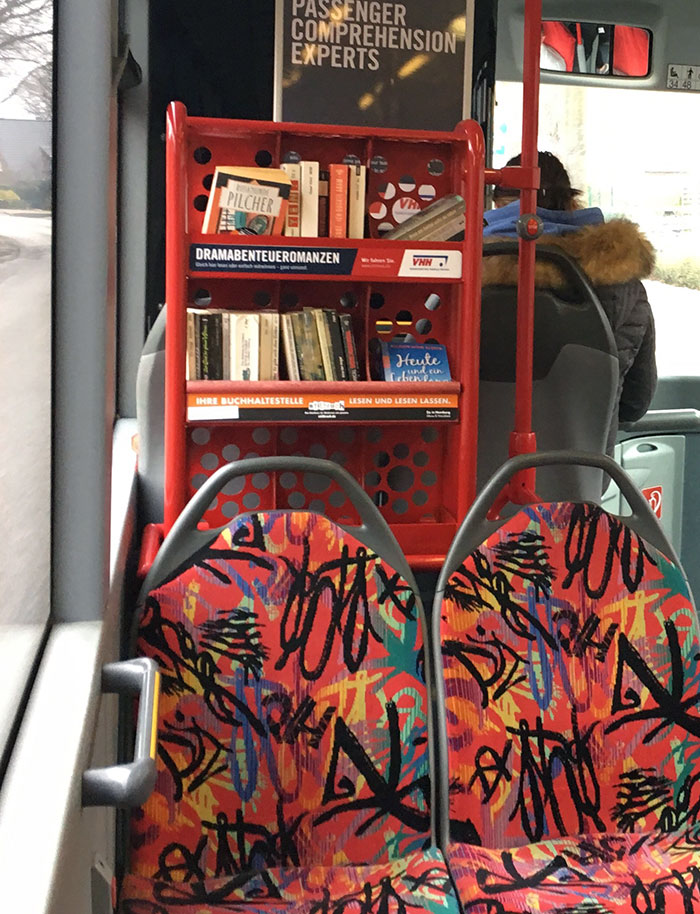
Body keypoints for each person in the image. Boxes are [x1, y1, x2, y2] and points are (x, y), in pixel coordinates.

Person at [483, 150, 657, 455]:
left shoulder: (464, 271)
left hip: (468, 480)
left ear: (497, 205)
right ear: (570, 203)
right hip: (582, 477)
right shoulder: (623, 284)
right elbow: (635, 403)